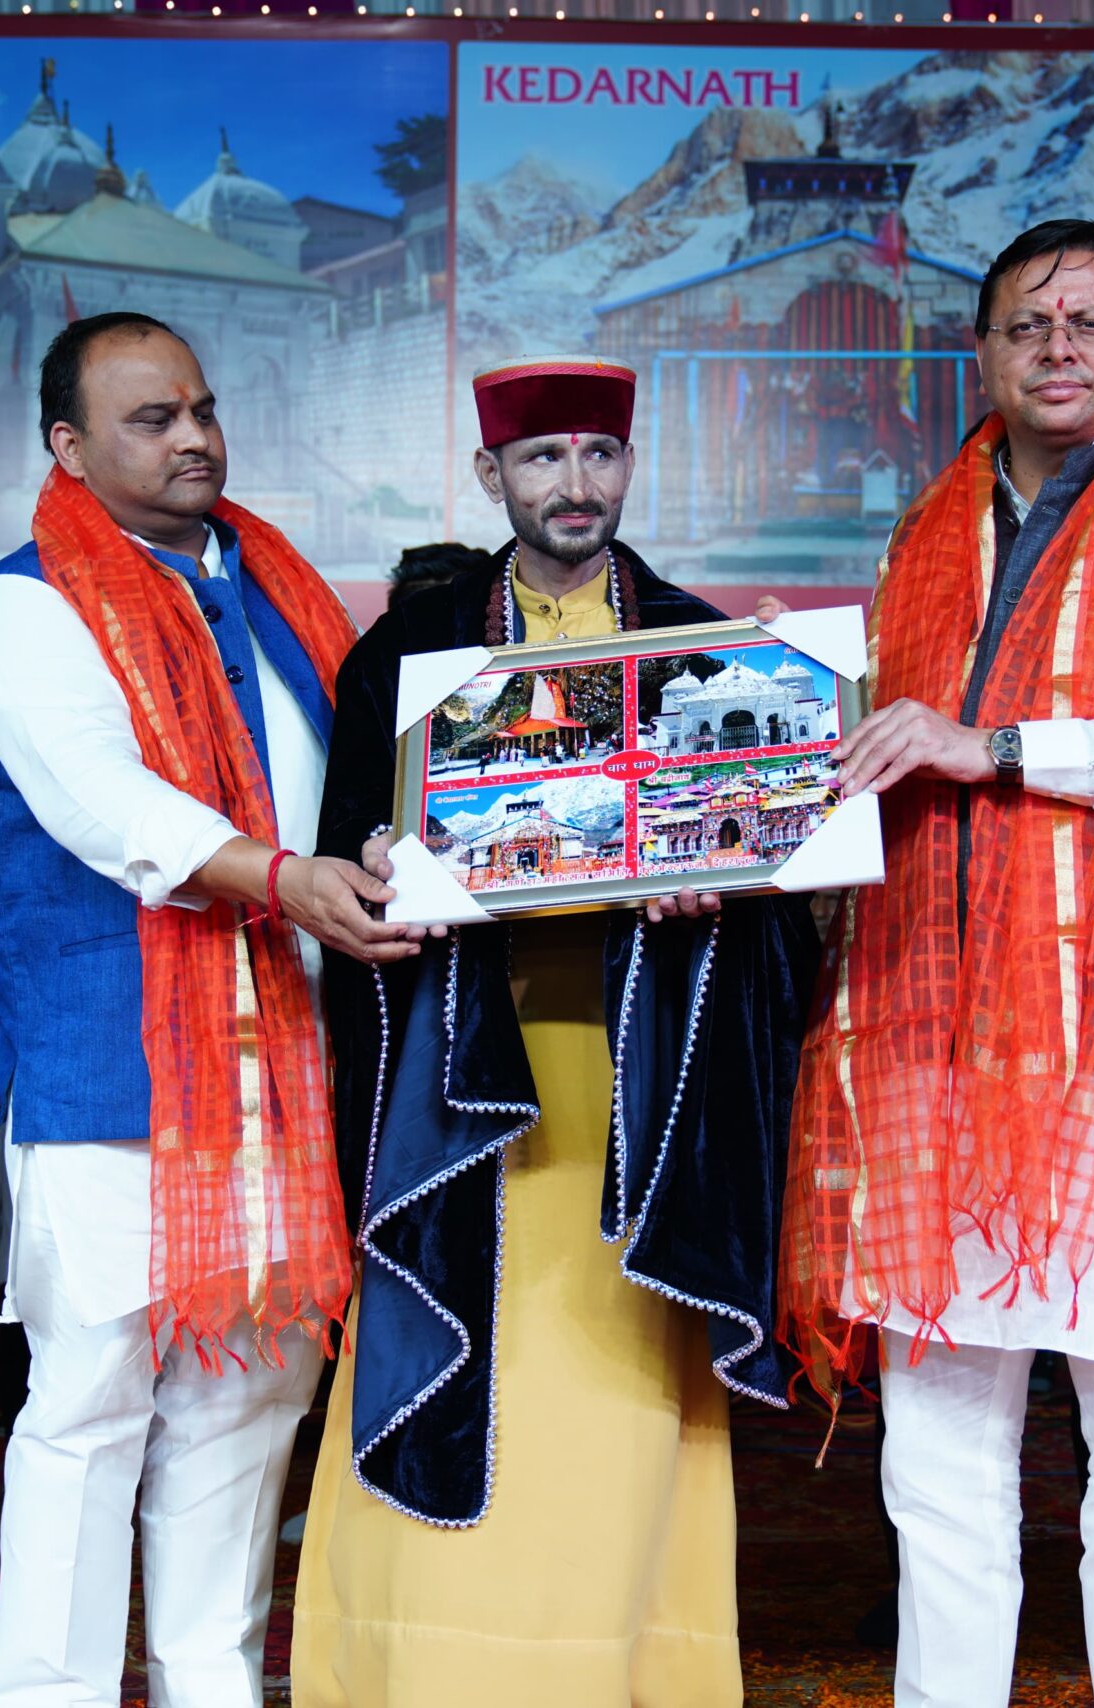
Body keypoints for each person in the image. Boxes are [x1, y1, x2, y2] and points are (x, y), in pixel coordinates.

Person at [775, 219, 1094, 1708]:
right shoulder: (925, 531)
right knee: (938, 1446)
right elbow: (871, 753)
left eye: (1088, 323)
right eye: (1027, 324)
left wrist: (995, 747)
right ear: (984, 352)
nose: (1057, 348)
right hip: (929, 1030)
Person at [290, 355, 819, 1707]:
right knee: (468, 1358)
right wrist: (382, 860)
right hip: (460, 1091)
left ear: (628, 464)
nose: (574, 484)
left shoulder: (704, 643)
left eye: (598, 453)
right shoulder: (409, 652)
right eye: (541, 458)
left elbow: (782, 906)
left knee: (607, 1392)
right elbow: (343, 862)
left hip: (634, 1090)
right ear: (491, 475)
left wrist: (714, 888)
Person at [0, 311, 414, 1708]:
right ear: (68, 446)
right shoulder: (24, 607)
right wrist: (283, 877)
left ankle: (212, 1686)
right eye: (152, 419)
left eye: (202, 409)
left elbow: (354, 792)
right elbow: (106, 805)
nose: (194, 437)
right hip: (112, 1076)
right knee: (92, 1406)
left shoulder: (280, 595)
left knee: (251, 1399)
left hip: (287, 1074)